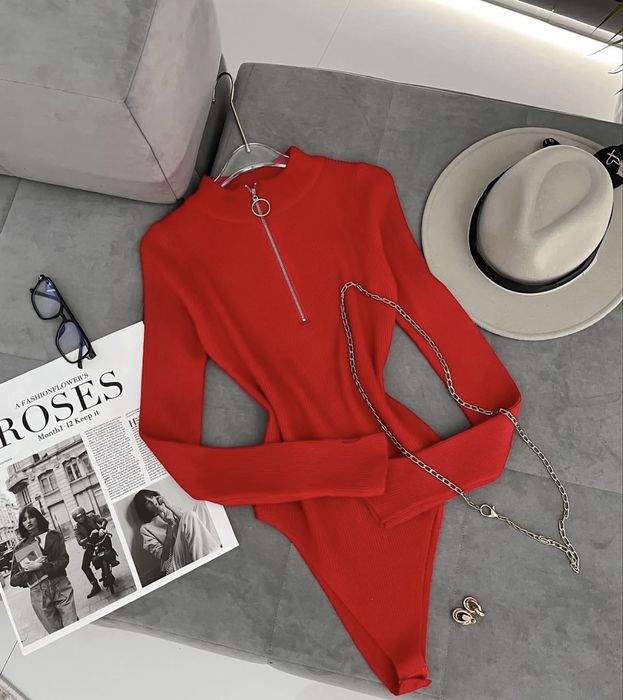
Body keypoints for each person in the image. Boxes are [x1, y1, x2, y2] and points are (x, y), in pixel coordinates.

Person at [10, 505, 78, 634]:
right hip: (38, 593)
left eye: (31, 517)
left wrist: (42, 566)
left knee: (72, 625)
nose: (28, 521)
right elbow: (13, 580)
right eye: (24, 520)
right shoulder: (20, 547)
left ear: (38, 517)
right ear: (21, 524)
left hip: (60, 585)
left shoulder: (54, 535)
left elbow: (64, 560)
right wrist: (28, 569)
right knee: (56, 633)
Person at [132, 490, 220, 575]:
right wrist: (170, 526)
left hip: (190, 547)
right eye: (147, 502)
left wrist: (169, 506)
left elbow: (188, 520)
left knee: (200, 505)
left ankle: (212, 552)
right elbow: (164, 556)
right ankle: (210, 558)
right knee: (190, 515)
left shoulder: (168, 509)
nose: (152, 501)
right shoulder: (145, 528)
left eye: (151, 497)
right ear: (143, 508)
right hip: (174, 562)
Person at [71, 506, 118, 598]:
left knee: (108, 539)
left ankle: (113, 560)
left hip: (101, 539)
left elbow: (104, 520)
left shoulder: (91, 516)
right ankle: (95, 585)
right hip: (90, 544)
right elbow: (79, 542)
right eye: (78, 518)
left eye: (81, 516)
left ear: (84, 514)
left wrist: (102, 528)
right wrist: (89, 537)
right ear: (75, 519)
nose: (81, 519)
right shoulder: (76, 528)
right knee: (84, 566)